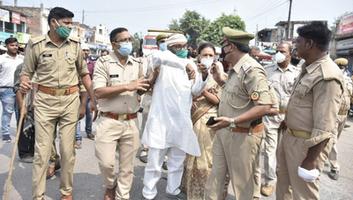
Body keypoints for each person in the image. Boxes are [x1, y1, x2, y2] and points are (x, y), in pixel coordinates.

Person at [19, 7, 95, 200]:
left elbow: (84, 73)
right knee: (42, 152)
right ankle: (38, 195)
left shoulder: (76, 45)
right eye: (67, 23)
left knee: (68, 151)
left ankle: (66, 192)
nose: (70, 27)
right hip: (45, 102)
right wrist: (25, 81)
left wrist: (93, 98)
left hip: (70, 100)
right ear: (54, 22)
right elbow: (26, 72)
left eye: (71, 23)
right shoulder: (36, 44)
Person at [204, 27, 277, 200]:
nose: (222, 51)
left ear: (231, 47)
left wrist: (231, 121)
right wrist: (220, 80)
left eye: (224, 45)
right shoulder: (236, 69)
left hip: (242, 136)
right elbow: (238, 97)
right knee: (215, 181)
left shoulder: (252, 70)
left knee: (243, 187)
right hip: (225, 132)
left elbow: (266, 106)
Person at [276, 22, 343, 200]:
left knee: (303, 194)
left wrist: (310, 160)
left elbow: (326, 124)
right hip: (290, 137)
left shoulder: (327, 75)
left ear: (310, 44)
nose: (294, 45)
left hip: (306, 146)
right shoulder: (307, 68)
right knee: (283, 187)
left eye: (298, 40)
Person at [141, 33, 208, 200]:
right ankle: (148, 193)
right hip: (161, 119)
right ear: (169, 46)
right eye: (178, 46)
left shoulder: (190, 63)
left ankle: (173, 189)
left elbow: (195, 90)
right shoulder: (161, 59)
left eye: (184, 46)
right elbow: (157, 58)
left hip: (180, 121)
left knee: (177, 160)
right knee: (154, 161)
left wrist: (204, 76)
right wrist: (183, 65)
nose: (183, 49)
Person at [93, 27, 149, 200]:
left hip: (131, 121)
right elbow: (99, 91)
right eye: (124, 40)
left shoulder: (139, 64)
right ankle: (110, 184)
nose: (128, 43)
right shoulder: (103, 62)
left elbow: (141, 89)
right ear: (114, 44)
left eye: (130, 39)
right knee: (106, 163)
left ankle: (122, 196)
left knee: (127, 167)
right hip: (109, 120)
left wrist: (150, 82)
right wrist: (127, 86)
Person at [181, 42, 223, 200]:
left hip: (208, 120)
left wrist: (202, 88)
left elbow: (218, 100)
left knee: (206, 160)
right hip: (190, 119)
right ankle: (191, 192)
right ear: (198, 56)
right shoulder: (190, 72)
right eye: (204, 55)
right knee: (190, 158)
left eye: (211, 55)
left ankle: (206, 194)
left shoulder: (219, 75)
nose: (207, 58)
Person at [259, 42, 301, 197]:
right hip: (270, 117)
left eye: (282, 51)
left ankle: (285, 179)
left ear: (290, 53)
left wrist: (290, 116)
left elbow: (299, 99)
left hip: (289, 118)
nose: (278, 53)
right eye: (277, 51)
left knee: (284, 151)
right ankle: (269, 181)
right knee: (269, 149)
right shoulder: (267, 71)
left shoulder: (297, 73)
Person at [139, 33, 168, 164]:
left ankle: (165, 155)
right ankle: (145, 149)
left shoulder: (174, 59)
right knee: (147, 122)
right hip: (151, 96)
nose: (164, 44)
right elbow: (145, 77)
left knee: (165, 125)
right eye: (162, 41)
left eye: (166, 41)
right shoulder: (150, 58)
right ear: (157, 44)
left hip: (167, 98)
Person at [327, 58, 352, 180]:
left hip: (344, 114)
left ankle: (325, 153)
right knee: (333, 141)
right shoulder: (333, 78)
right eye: (340, 67)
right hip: (334, 114)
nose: (342, 69)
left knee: (334, 139)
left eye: (343, 67)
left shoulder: (348, 79)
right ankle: (334, 166)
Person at [0, 37, 24, 142]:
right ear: (7, 46)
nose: (15, 47)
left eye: (16, 45)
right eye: (12, 45)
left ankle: (21, 134)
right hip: (7, 89)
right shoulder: (1, 58)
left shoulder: (22, 59)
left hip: (20, 89)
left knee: (21, 111)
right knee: (7, 112)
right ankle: (5, 133)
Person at [81, 43, 95, 140]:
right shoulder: (74, 62)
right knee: (77, 113)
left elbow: (94, 77)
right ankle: (77, 137)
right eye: (84, 50)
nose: (85, 52)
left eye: (87, 50)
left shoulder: (92, 64)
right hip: (77, 92)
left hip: (89, 91)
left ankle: (89, 131)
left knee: (89, 113)